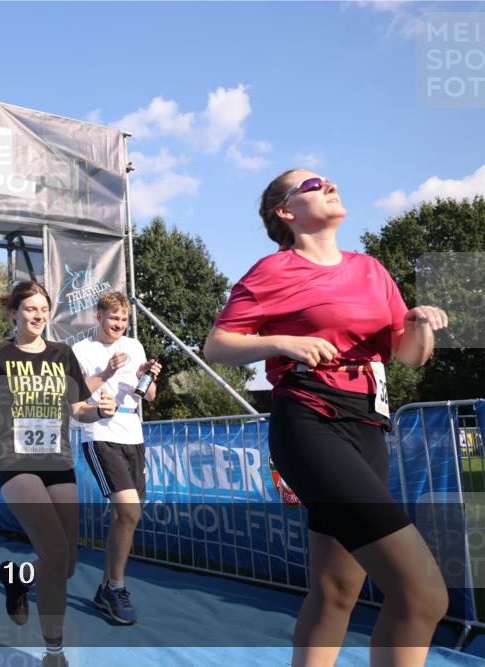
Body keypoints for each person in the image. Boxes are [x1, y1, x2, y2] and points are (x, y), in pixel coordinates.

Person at [203, 169, 449, 666]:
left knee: (338, 588)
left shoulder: (371, 269)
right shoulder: (273, 272)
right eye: (312, 184)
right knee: (423, 594)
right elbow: (217, 344)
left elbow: (407, 355)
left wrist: (420, 326)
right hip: (310, 421)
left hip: (368, 426)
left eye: (329, 179)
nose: (329, 185)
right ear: (286, 212)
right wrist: (281, 342)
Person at [0, 280, 116, 667]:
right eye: (30, 309)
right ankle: (54, 653)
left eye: (44, 309)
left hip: (58, 463)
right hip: (16, 463)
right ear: (14, 314)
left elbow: (77, 408)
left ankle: (18, 577)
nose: (38, 315)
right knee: (56, 550)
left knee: (66, 565)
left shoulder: (62, 355)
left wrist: (100, 411)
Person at [71, 291, 162, 625]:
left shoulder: (135, 345)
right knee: (128, 510)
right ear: (98, 316)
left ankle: (106, 587)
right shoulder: (81, 351)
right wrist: (108, 372)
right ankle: (117, 587)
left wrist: (147, 374)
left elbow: (148, 396)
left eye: (123, 320)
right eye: (113, 319)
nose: (119, 325)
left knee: (127, 518)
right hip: (101, 435)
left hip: (133, 436)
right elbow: (76, 396)